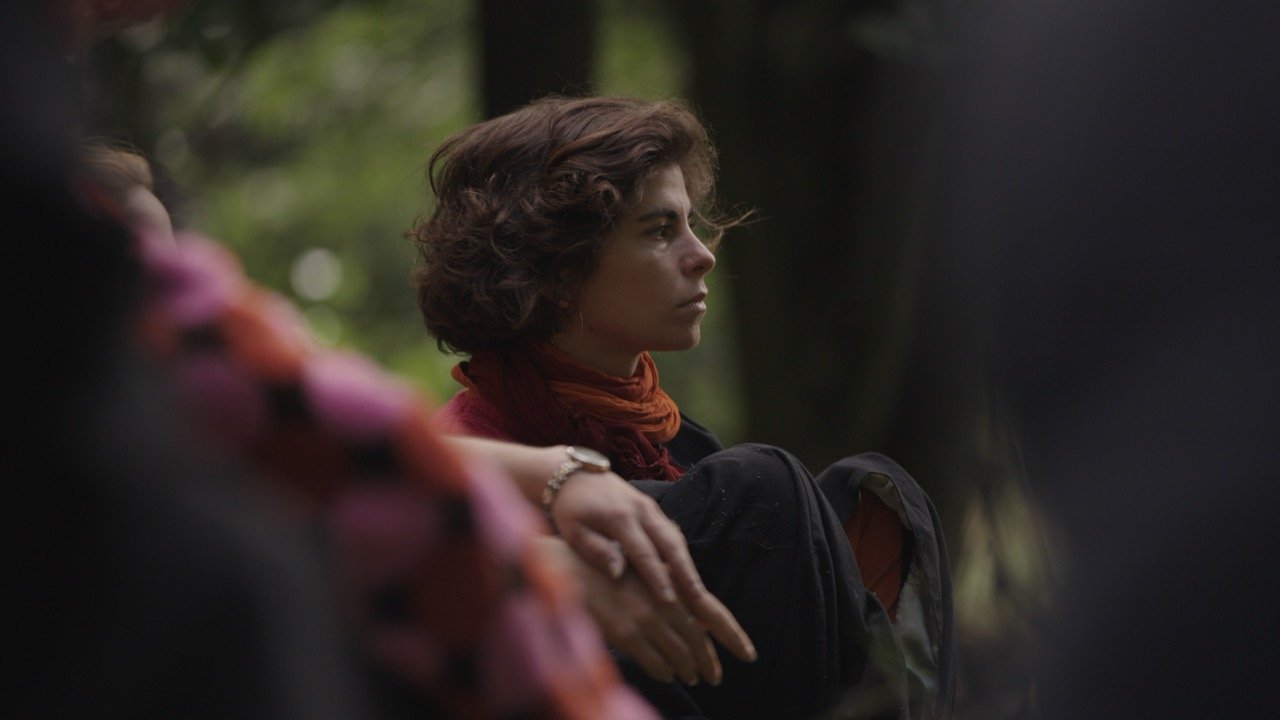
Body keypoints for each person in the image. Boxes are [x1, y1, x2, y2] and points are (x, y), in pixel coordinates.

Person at [410, 96, 955, 720]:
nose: (703, 254)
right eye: (660, 230)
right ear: (558, 271)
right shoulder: (465, 452)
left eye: (691, 224)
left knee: (876, 498)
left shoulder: (677, 443)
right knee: (762, 485)